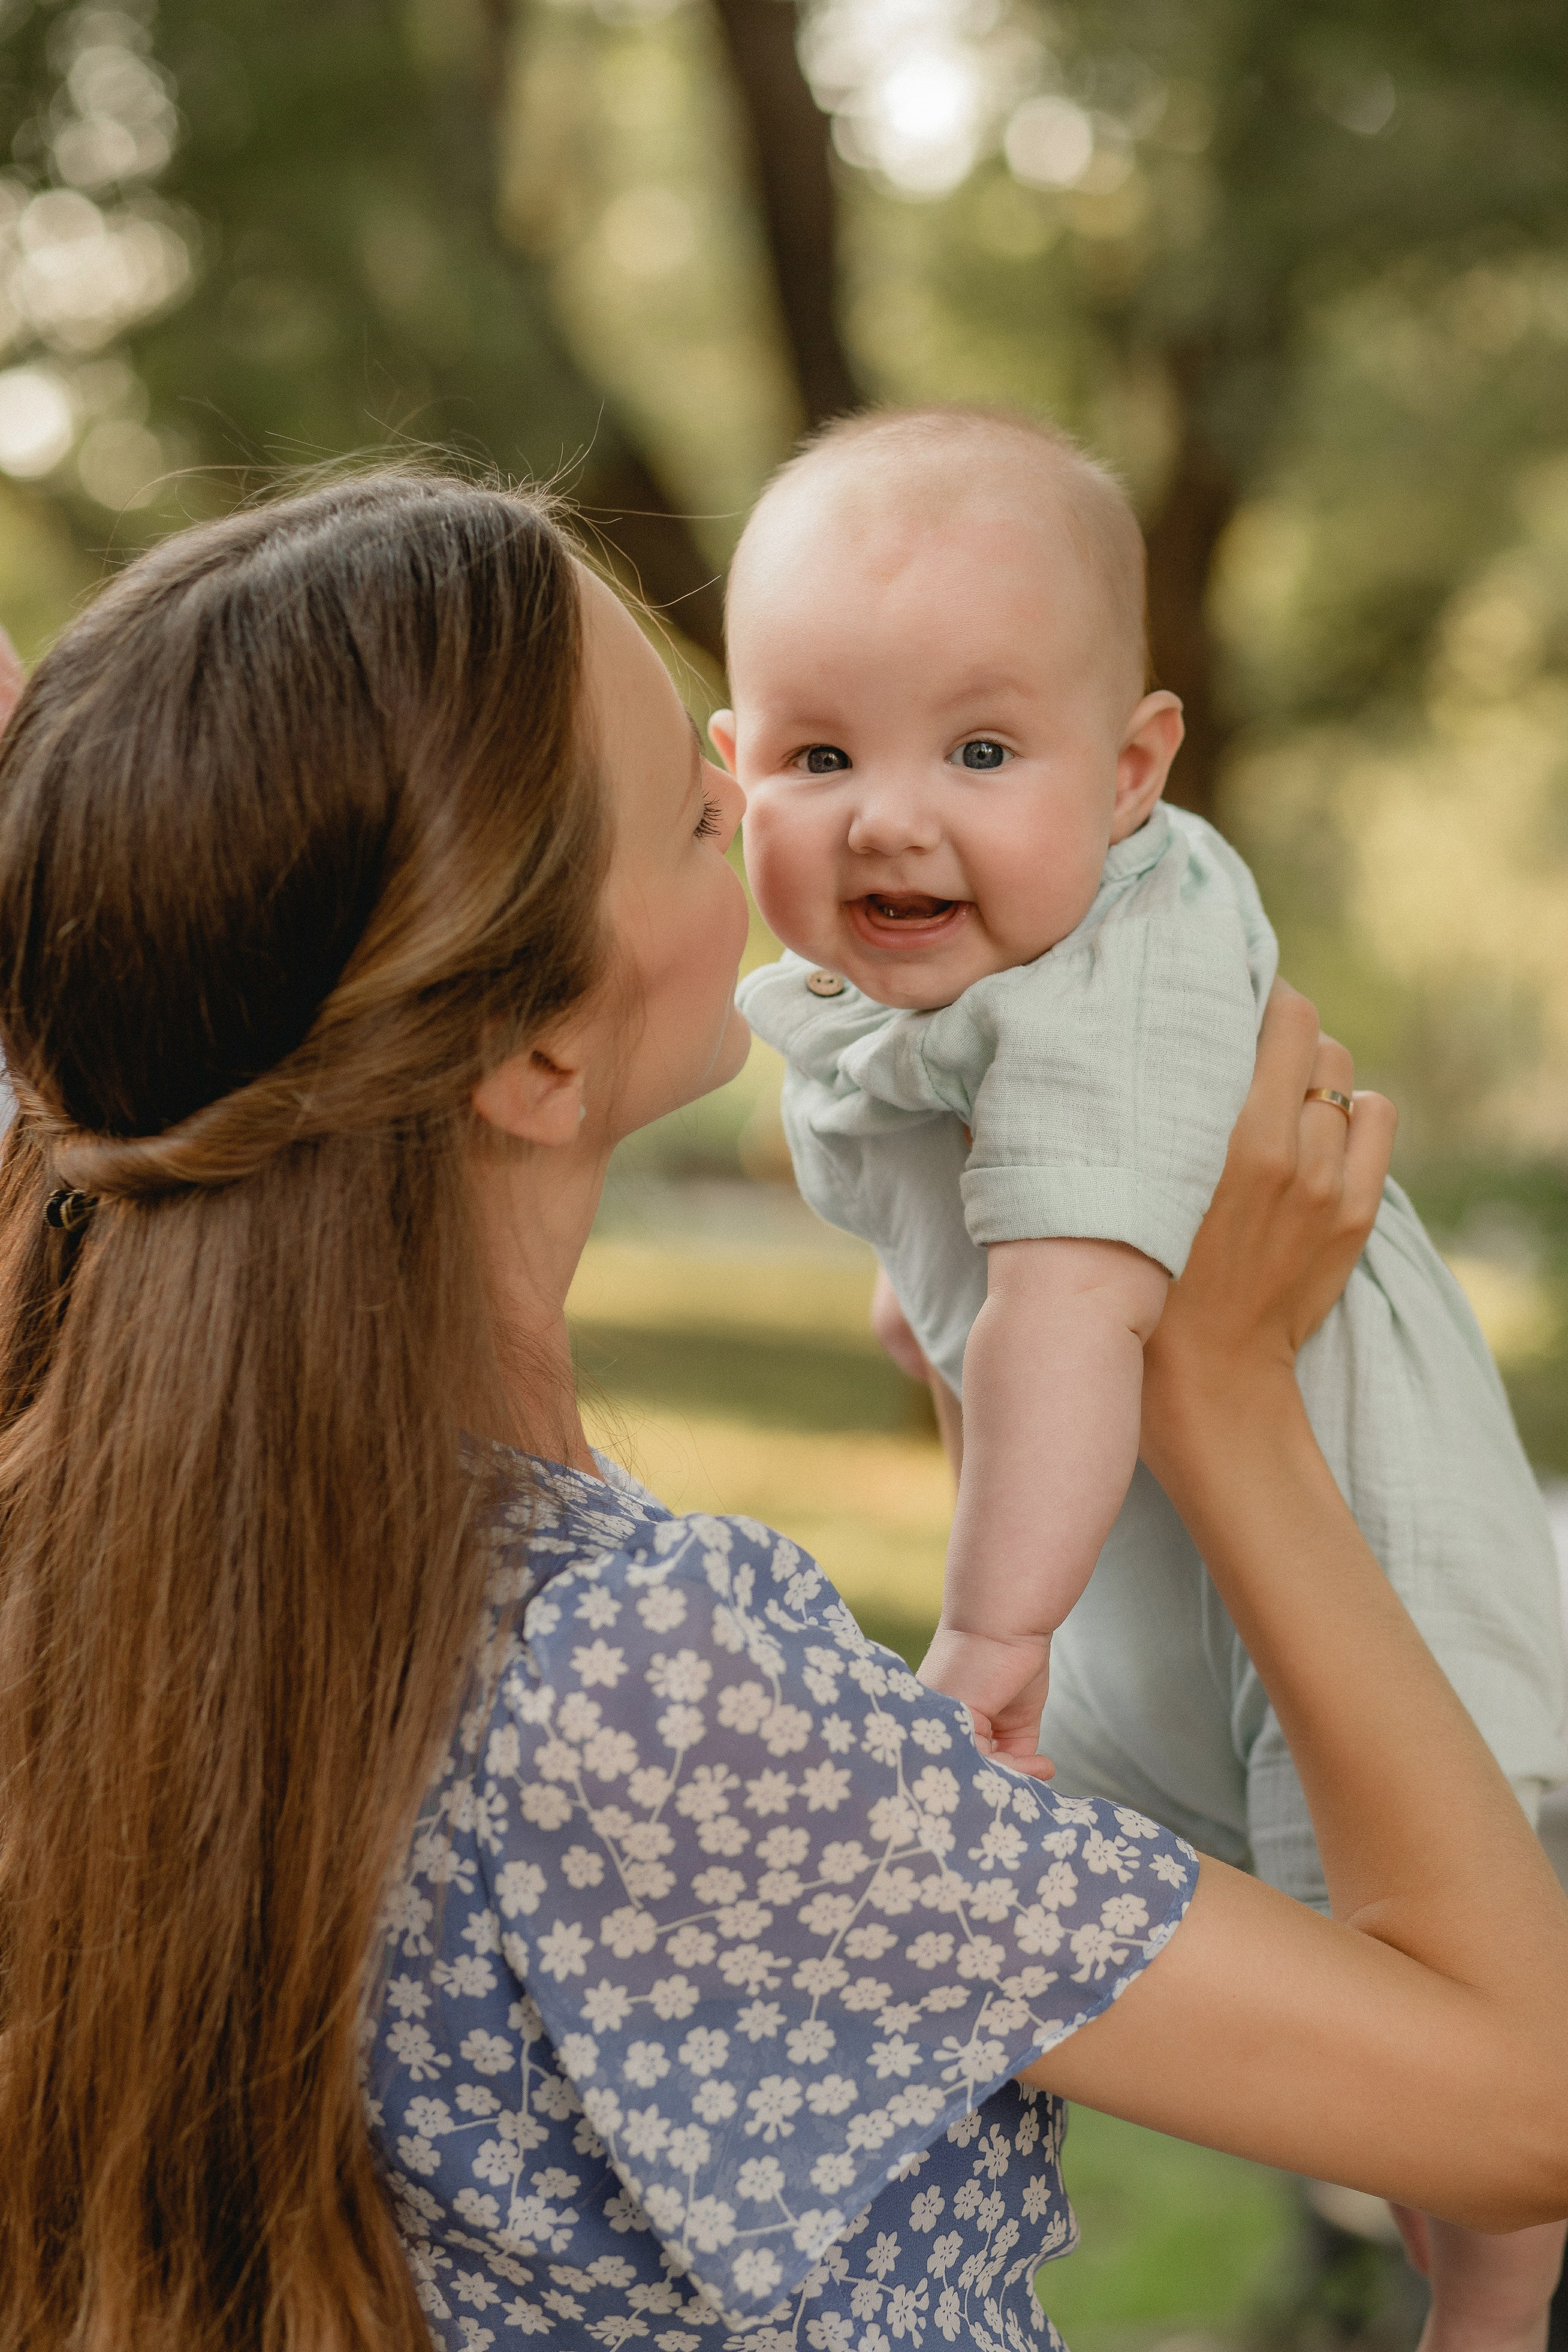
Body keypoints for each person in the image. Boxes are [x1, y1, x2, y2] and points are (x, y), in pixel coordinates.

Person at [0, 474, 1562, 2352]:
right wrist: (1225, 1400)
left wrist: (994, 1388)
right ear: (540, 1050)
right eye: (693, 809)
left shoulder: (148, 1542)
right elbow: (1520, 2108)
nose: (761, 817)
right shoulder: (640, 1683)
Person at [723, 405, 1567, 2348]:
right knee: (1244, 2010)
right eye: (822, 756)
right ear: (732, 765)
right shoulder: (900, 987)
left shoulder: (1132, 954)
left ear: (1130, 773)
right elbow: (967, 1294)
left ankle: (1495, 2308)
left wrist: (984, 1638)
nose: (894, 818)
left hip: (1350, 1534)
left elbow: (1071, 1310)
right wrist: (936, 1348)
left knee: (1431, 2030)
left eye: (982, 751)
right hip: (1142, 1560)